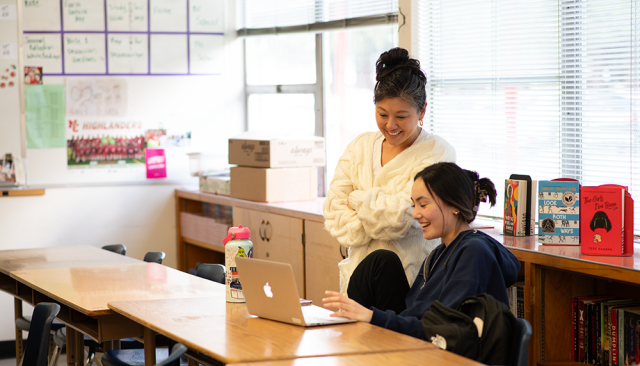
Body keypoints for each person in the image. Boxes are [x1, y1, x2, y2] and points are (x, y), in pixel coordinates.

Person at [323, 162, 521, 339]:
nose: (416, 214)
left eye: (423, 204)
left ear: (454, 205)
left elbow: (444, 328)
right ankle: (351, 330)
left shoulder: (473, 251)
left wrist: (373, 317)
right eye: (414, 204)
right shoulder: (438, 253)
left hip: (447, 351)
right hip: (422, 338)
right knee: (380, 261)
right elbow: (415, 313)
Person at [323, 47, 456, 301]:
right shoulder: (360, 147)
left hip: (409, 284)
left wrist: (357, 200)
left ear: (422, 111)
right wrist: (377, 216)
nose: (390, 125)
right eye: (382, 114)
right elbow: (334, 212)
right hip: (357, 283)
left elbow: (406, 216)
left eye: (401, 116)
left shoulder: (438, 153)